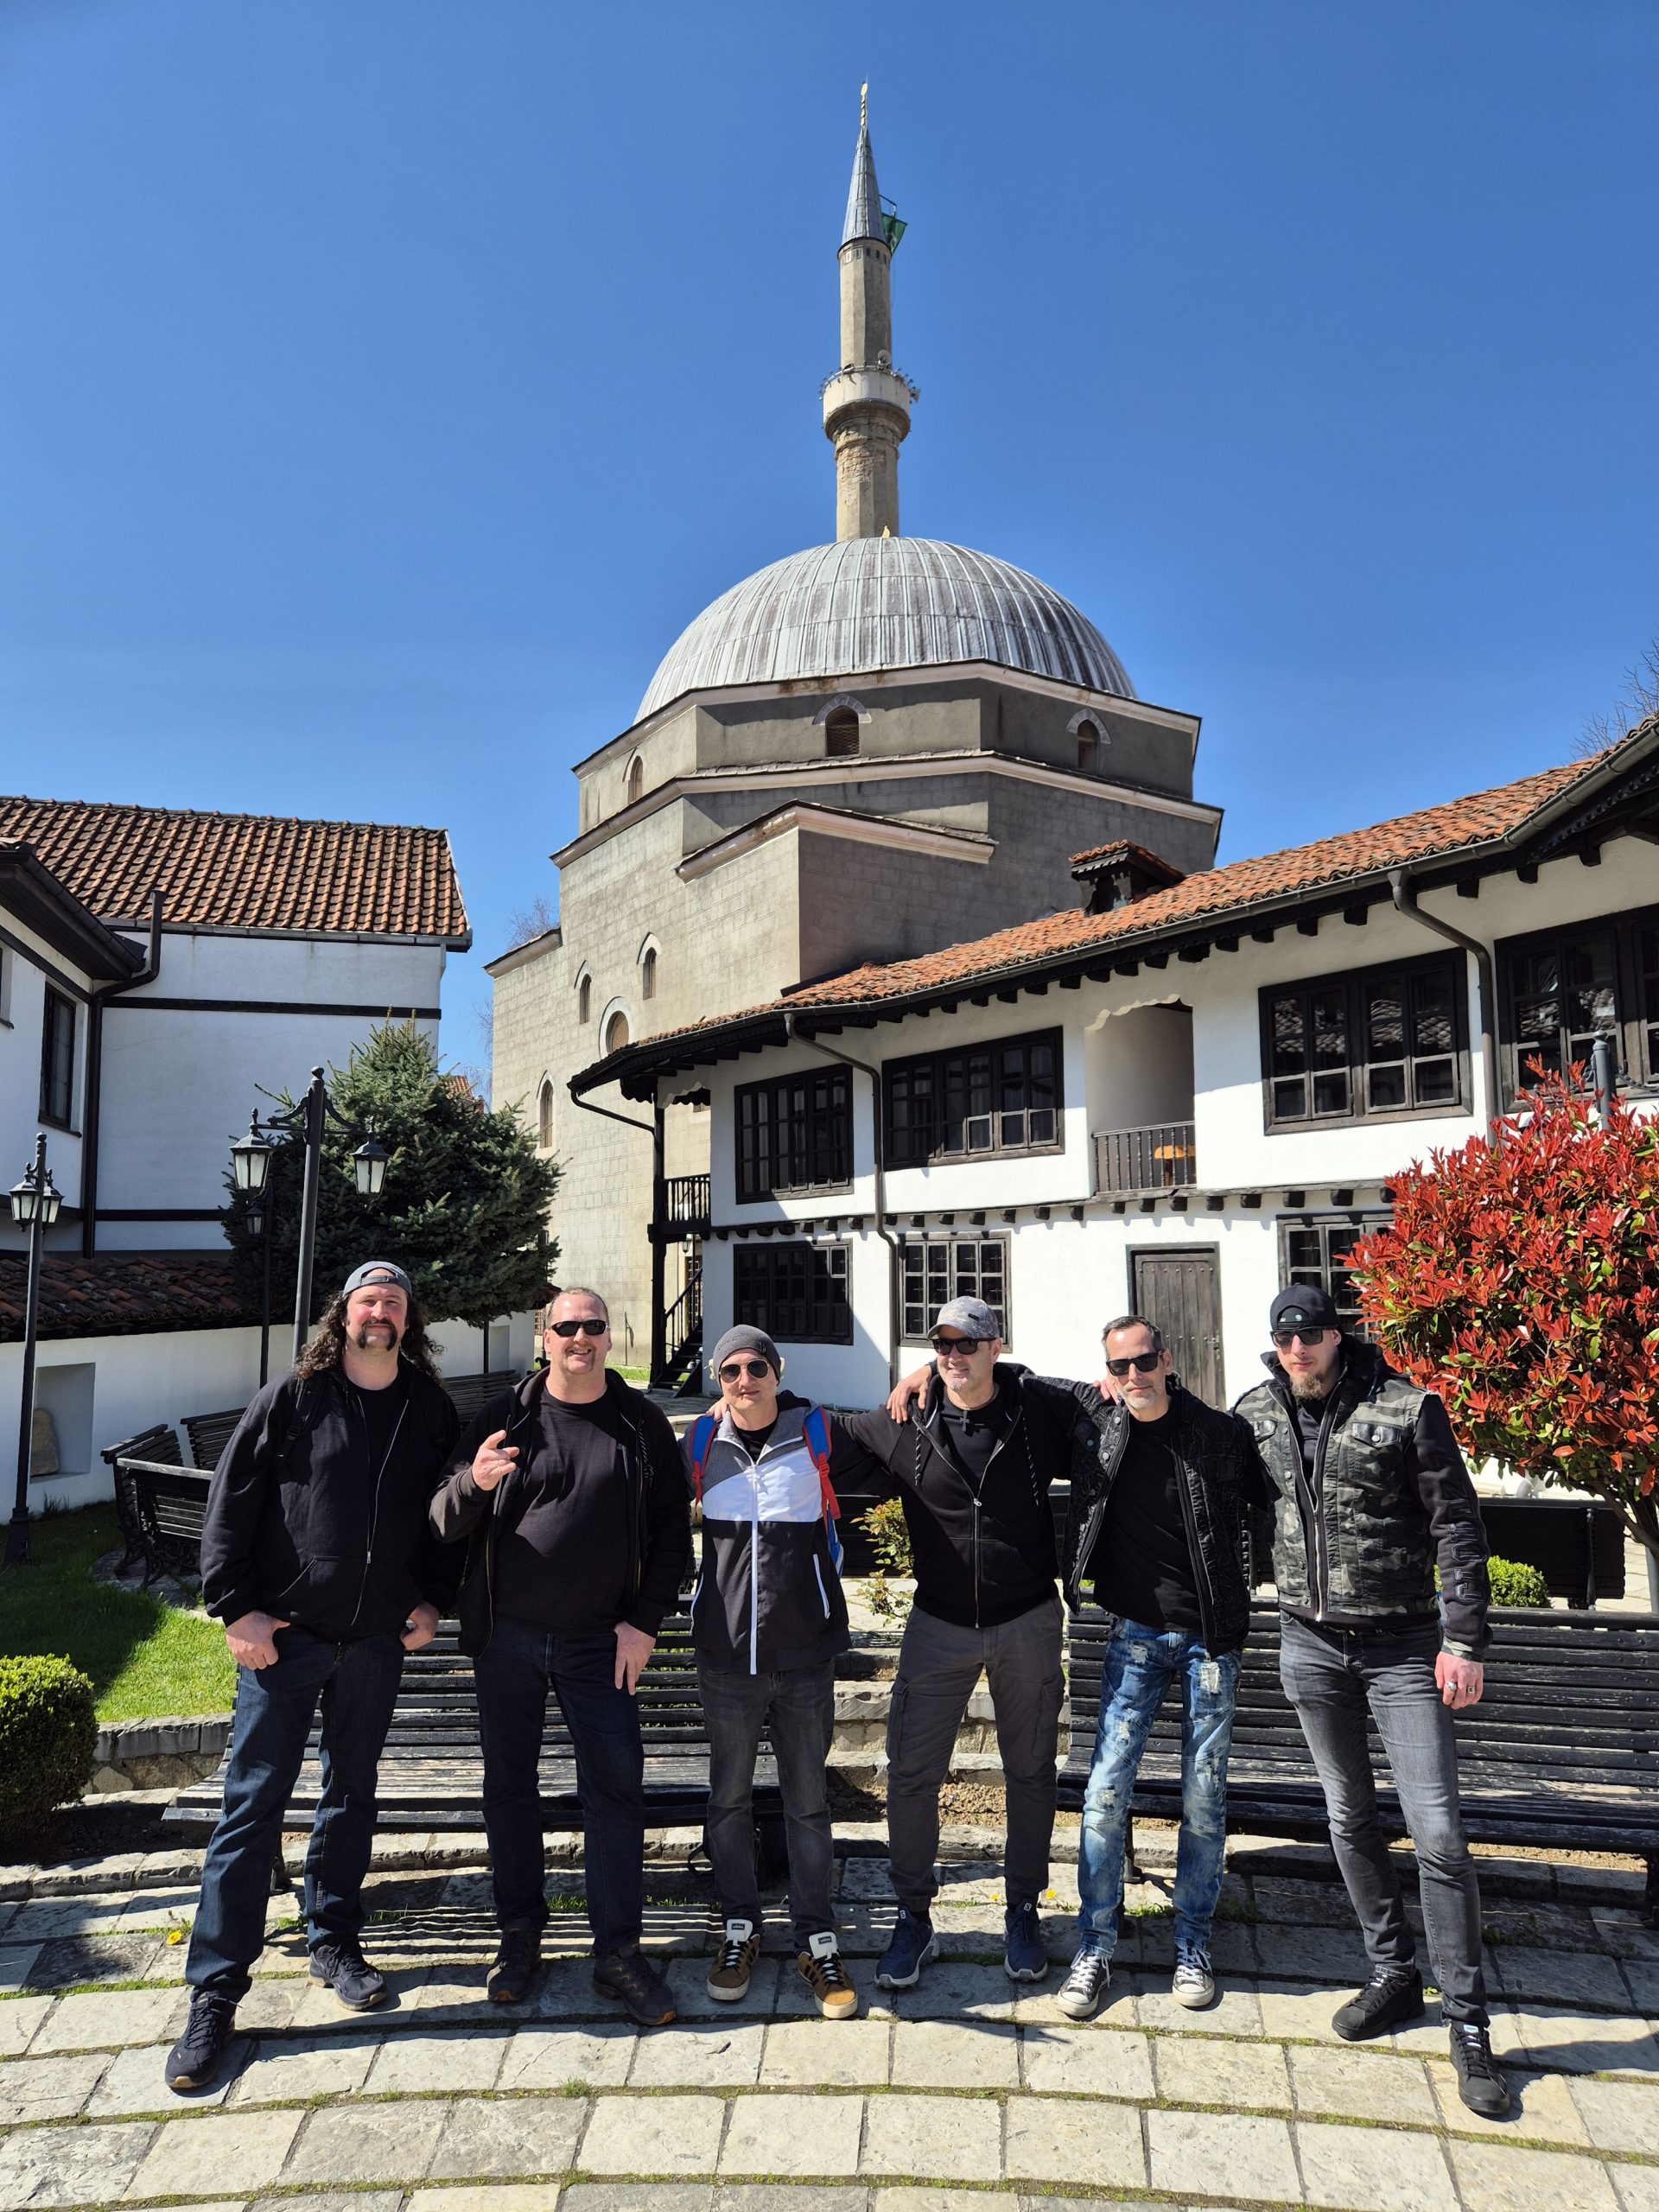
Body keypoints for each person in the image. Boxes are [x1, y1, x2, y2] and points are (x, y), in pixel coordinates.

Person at [166, 1262, 461, 2093]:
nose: (380, 1313)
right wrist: (235, 1610)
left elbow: (447, 1520)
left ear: (409, 1320)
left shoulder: (427, 1407)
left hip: (372, 1642)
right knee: (250, 1807)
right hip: (285, 1641)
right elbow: (232, 1502)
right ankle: (214, 1994)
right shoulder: (293, 1398)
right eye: (368, 1300)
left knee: (351, 1793)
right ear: (345, 1314)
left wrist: (432, 1603)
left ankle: (333, 1939)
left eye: (394, 1303)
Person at [1235, 1283, 1511, 2119]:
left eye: (1311, 1337)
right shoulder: (1254, 1413)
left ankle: (1469, 2024)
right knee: (1349, 1819)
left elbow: (1457, 1525)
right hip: (1308, 1645)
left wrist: (1463, 1640)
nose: (1298, 1352)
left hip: (1402, 1648)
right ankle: (1393, 1974)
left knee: (1438, 1833)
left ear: (1337, 1337)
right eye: (1285, 1340)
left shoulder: (1406, 1407)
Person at [430, 1287, 690, 2029]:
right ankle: (520, 1939)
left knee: (615, 1792)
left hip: (600, 1644)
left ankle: (618, 1954)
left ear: (611, 1339)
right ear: (544, 1337)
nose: (580, 1337)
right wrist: (474, 1484)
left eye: (593, 1327)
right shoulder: (505, 1416)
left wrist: (644, 1624)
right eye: (566, 1327)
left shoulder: (640, 1426)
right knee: (509, 1789)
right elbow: (440, 1517)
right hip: (507, 1637)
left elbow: (673, 1530)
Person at [839, 1297, 1103, 1989]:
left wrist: (1124, 1376)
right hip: (938, 1624)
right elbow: (828, 1431)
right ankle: (912, 1915)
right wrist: (736, 1403)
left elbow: (1105, 1399)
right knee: (911, 1771)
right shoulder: (906, 1420)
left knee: (1031, 1772)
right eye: (942, 1346)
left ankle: (1022, 1908)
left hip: (1028, 1621)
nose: (954, 1357)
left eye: (967, 1344)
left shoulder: (1036, 1407)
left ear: (996, 1346)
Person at [1053, 1313, 1260, 2019]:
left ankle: (1193, 1941)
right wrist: (929, 1370)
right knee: (1106, 1790)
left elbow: (1273, 1508)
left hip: (1210, 1641)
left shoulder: (1221, 1436)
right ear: (1105, 1374)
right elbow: (1007, 1381)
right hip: (1134, 1635)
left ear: (1166, 1361)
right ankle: (1096, 1943)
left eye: (1144, 1363)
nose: (1133, 1377)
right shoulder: (1099, 1426)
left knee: (1204, 1797)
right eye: (1119, 1368)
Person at [685, 1325, 857, 2019]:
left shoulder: (816, 1433)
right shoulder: (698, 1444)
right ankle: (739, 1928)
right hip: (726, 1657)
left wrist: (919, 1380)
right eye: (730, 1371)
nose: (744, 1380)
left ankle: (816, 1936)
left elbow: (900, 1436)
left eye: (756, 1367)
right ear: (718, 1381)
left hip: (805, 1655)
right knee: (726, 1799)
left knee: (808, 1803)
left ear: (777, 1373)